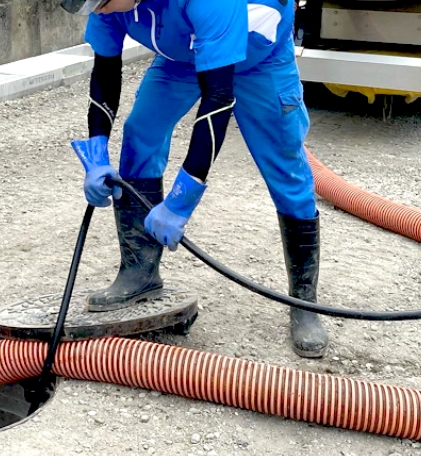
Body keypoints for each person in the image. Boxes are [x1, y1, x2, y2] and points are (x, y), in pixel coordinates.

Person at [62, 0, 329, 358]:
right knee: (141, 131)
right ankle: (139, 275)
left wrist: (181, 200)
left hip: (258, 60)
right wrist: (96, 153)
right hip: (182, 59)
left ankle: (304, 304)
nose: (101, 12)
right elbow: (106, 71)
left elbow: (219, 98)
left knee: (286, 170)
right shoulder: (107, 7)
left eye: (104, 4)